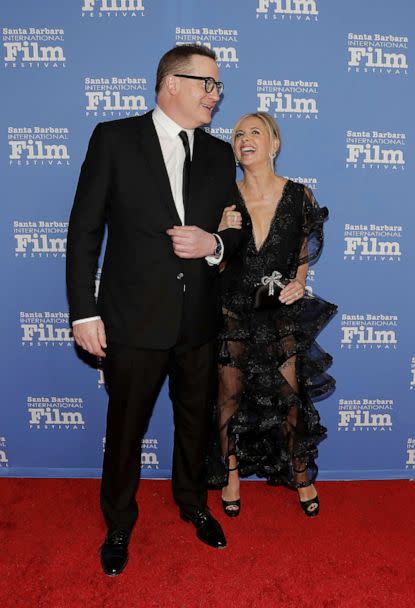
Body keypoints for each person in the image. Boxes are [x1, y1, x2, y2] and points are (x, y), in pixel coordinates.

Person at [66, 44, 245, 576]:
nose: (216, 94)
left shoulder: (217, 155)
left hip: (197, 322)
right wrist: (84, 312)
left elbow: (237, 235)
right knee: (125, 428)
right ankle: (118, 521)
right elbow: (84, 232)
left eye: (218, 85)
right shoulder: (114, 139)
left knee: (195, 423)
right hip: (132, 319)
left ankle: (193, 504)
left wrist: (212, 243)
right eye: (206, 83)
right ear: (170, 83)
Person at [208, 112, 337, 518]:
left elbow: (301, 250)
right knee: (228, 396)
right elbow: (215, 262)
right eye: (238, 134)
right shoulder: (223, 197)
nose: (245, 139)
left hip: (279, 314)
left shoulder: (300, 196)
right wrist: (219, 230)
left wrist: (299, 281)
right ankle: (231, 476)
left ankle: (301, 474)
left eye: (255, 132)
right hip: (233, 311)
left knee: (291, 398)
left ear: (274, 144)